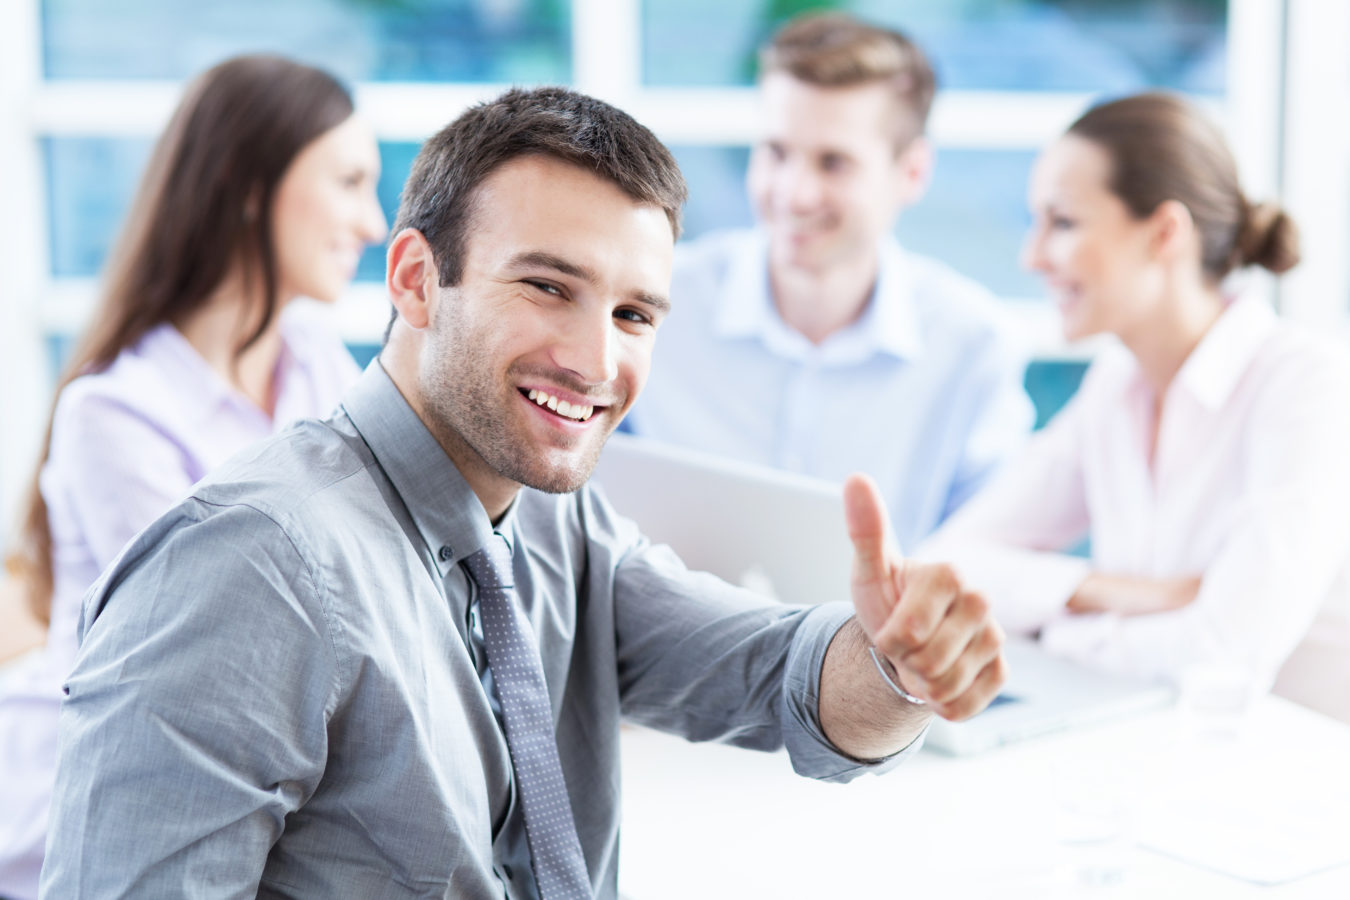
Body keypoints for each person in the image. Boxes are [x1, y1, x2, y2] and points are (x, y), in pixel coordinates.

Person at [41, 86, 1006, 899]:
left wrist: (896, 672)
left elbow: (772, 678)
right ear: (417, 282)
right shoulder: (250, 566)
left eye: (633, 314)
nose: (595, 360)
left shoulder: (551, 520)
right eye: (547, 287)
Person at [0, 54, 387, 898]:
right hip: (84, 802)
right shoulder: (116, 414)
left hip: (252, 775)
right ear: (249, 184)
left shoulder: (322, 367)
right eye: (351, 181)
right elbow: (225, 651)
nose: (372, 222)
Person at [921, 92, 1350, 722]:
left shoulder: (1304, 386)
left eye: (1062, 223)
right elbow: (943, 566)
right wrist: (1100, 591)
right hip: (1157, 758)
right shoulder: (1114, 387)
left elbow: (1226, 653)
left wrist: (1055, 631)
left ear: (1165, 232)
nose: (1032, 257)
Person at [626, 12, 1034, 552]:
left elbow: (991, 562)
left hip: (878, 639)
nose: (794, 193)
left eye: (833, 163)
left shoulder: (973, 347)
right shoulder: (655, 303)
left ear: (911, 172)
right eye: (776, 152)